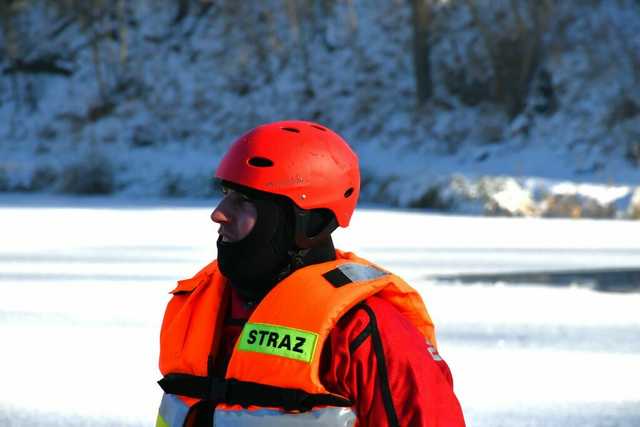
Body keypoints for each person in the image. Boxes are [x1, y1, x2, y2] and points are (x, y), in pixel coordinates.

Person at [155, 120, 466, 427]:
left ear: (310, 222)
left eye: (245, 201)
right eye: (225, 193)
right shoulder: (196, 311)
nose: (218, 213)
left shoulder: (364, 332)